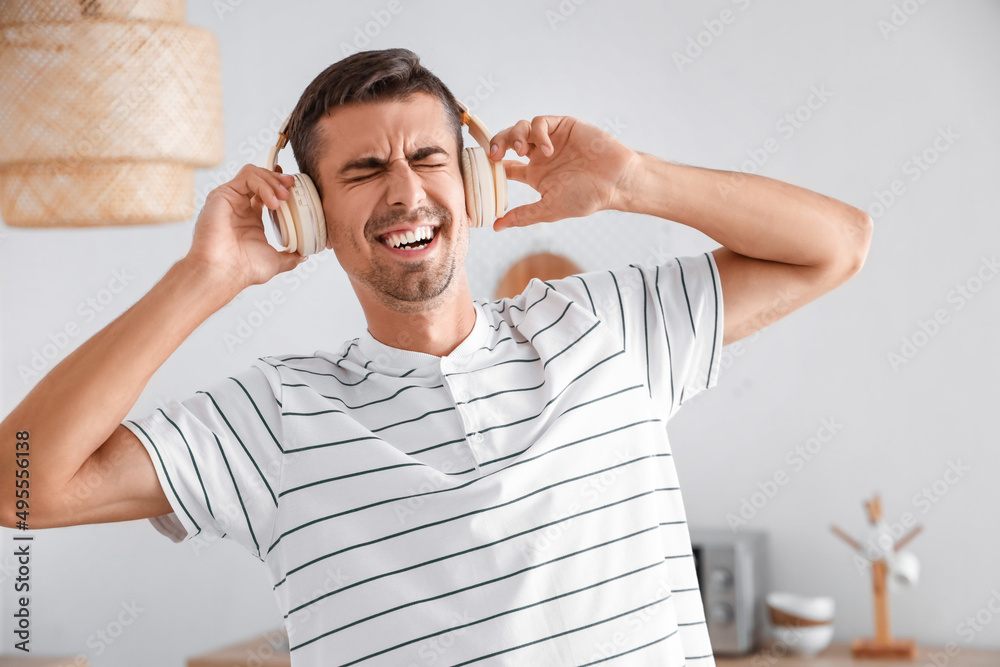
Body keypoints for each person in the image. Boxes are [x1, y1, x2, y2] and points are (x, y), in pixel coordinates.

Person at [0, 48, 872, 665]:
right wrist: (203, 276)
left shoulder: (606, 329)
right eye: (363, 171)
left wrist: (635, 180)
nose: (406, 190)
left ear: (474, 183)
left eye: (427, 157)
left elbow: (837, 243)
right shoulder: (272, 418)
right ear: (308, 217)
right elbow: (21, 481)